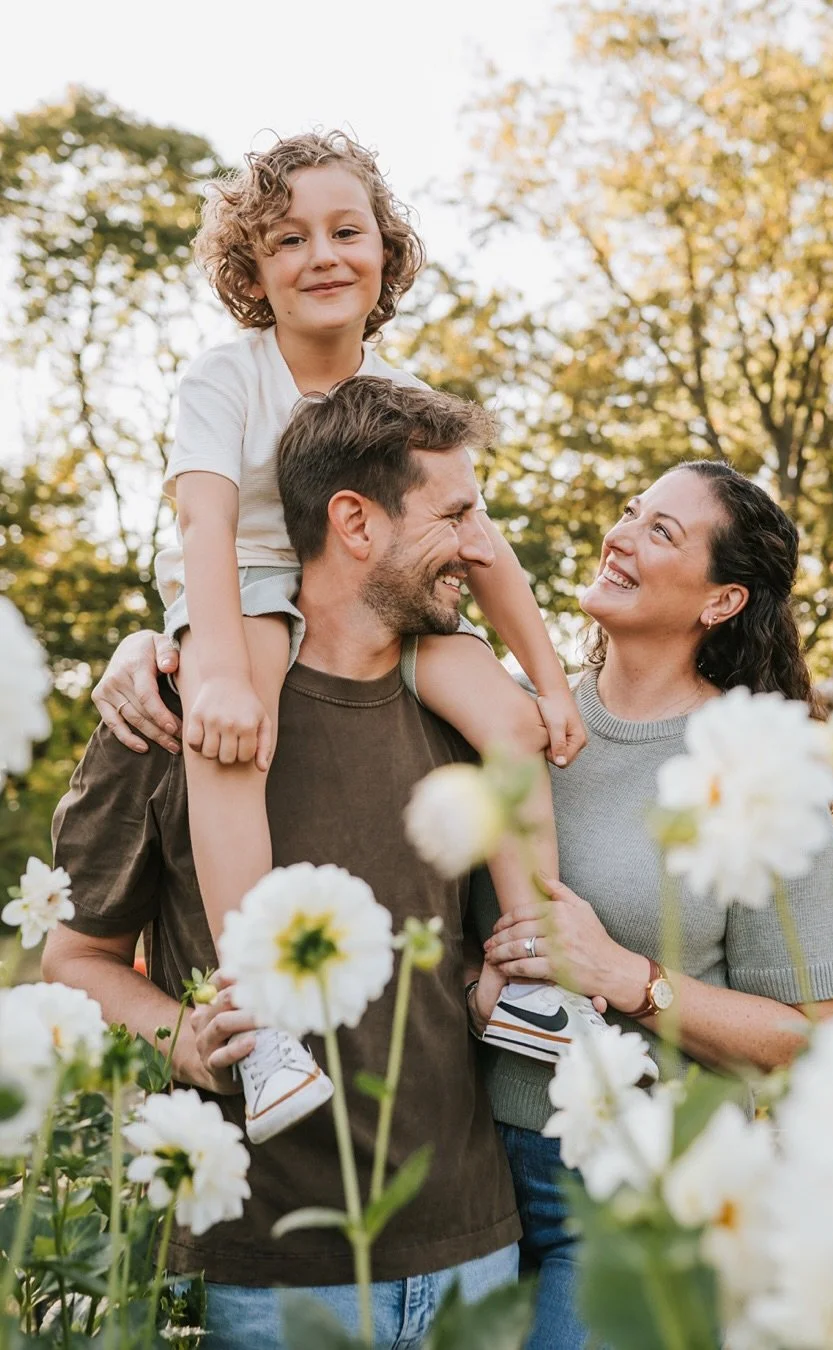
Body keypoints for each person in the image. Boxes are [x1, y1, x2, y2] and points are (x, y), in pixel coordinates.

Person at [43, 379, 526, 1350]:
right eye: (457, 514)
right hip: (270, 1279)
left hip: (477, 1251)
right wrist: (176, 1034)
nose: (480, 546)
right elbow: (75, 960)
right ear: (354, 521)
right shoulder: (169, 714)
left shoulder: (471, 717)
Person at [148, 130, 591, 1140]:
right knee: (235, 735)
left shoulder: (399, 398)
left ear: (386, 252)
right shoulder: (227, 378)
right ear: (253, 271)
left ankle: (532, 974)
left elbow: (476, 540)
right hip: (250, 580)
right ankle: (258, 1022)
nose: (323, 256)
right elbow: (205, 522)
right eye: (289, 239)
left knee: (507, 720)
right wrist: (214, 670)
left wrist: (549, 678)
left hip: (376, 586)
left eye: (348, 231)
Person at [463, 461, 833, 1350]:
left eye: (662, 531)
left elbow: (803, 1035)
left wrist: (628, 978)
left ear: (721, 601)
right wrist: (156, 650)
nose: (622, 535)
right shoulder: (510, 718)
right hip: (464, 1174)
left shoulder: (760, 770)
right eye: (630, 513)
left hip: (630, 1196)